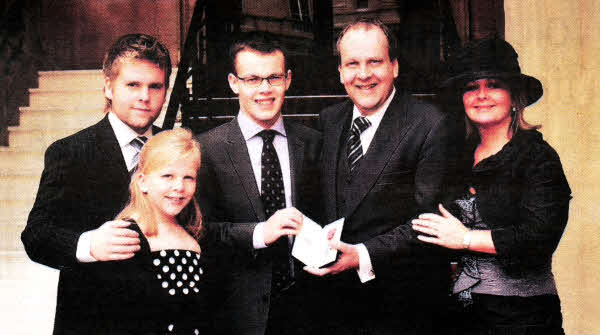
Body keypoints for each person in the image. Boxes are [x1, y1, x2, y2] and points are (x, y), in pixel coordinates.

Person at [305, 18, 459, 334]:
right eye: (352, 64)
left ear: (395, 67)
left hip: (404, 307)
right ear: (340, 72)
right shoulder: (328, 121)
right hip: (337, 307)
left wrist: (361, 254)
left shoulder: (430, 124)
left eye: (375, 62)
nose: (363, 74)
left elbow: (428, 221)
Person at [412, 37, 571, 334]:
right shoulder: (456, 156)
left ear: (515, 97)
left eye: (494, 85)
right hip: (460, 314)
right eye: (471, 87)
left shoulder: (537, 157)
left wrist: (467, 239)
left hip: (522, 317)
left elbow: (540, 237)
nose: (481, 95)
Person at [21, 33, 171, 334]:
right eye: (133, 85)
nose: (145, 96)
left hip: (161, 320)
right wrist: (88, 244)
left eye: (155, 86)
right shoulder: (71, 152)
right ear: (108, 87)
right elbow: (37, 235)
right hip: (93, 320)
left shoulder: (176, 149)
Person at [195, 32, 321, 334]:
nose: (265, 89)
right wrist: (259, 233)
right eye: (252, 79)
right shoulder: (205, 150)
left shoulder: (313, 143)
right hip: (237, 313)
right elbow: (198, 230)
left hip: (308, 308)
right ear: (233, 82)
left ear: (288, 80)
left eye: (273, 78)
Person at [86, 128, 209, 334]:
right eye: (167, 176)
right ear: (143, 181)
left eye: (189, 177)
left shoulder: (193, 234)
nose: (179, 186)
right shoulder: (125, 235)